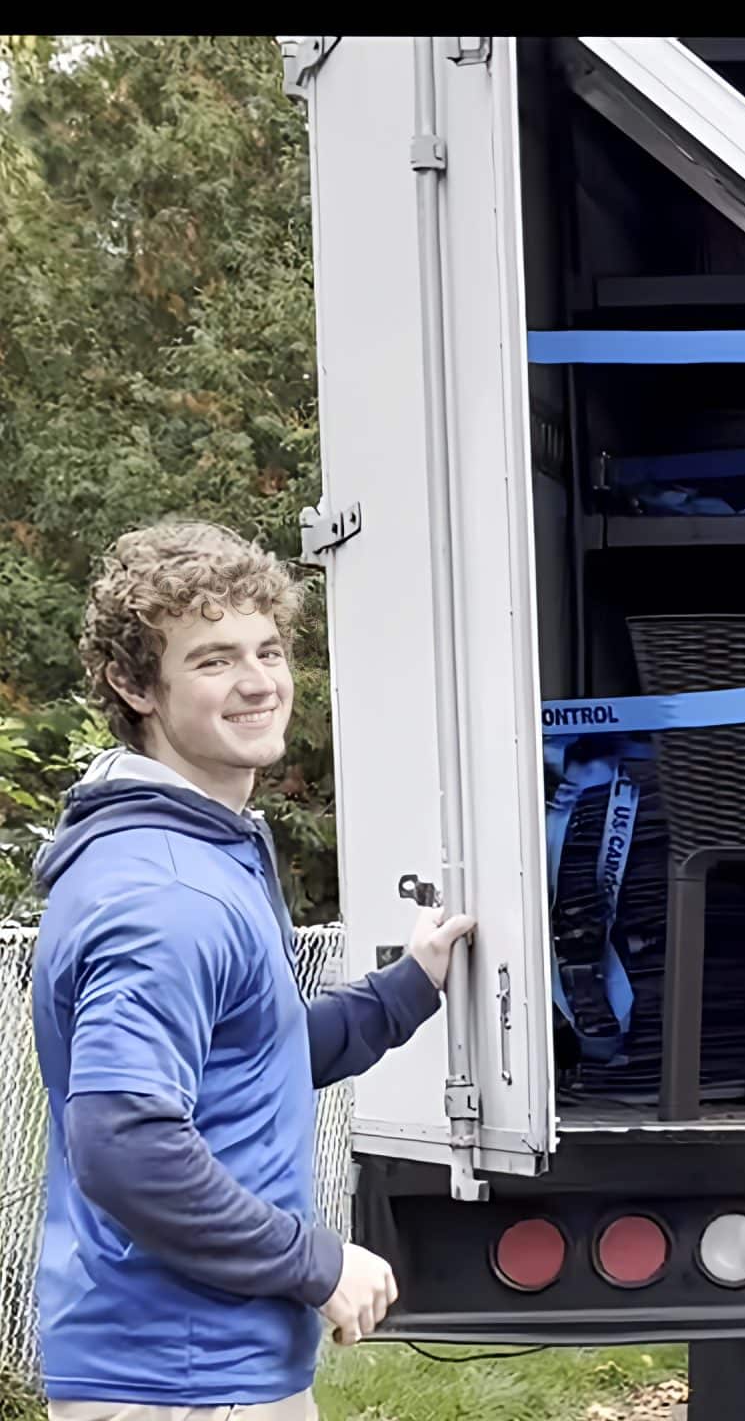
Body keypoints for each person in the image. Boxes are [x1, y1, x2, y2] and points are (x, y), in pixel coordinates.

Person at [30, 521, 475, 1420]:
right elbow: (125, 1144)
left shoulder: (202, 852)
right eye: (213, 660)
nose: (259, 682)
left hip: (199, 1367)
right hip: (181, 1378)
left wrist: (407, 988)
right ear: (133, 686)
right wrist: (316, 1261)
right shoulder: (165, 892)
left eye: (268, 650)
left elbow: (251, 1054)